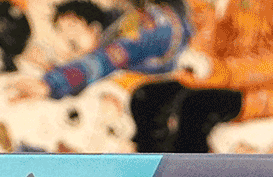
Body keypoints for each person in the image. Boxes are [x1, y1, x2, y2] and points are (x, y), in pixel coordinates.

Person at [129, 0, 273, 153]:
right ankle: (155, 172)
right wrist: (199, 58)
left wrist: (220, 72)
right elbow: (220, 39)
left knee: (195, 107)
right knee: (147, 97)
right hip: (231, 79)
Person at [10, 0, 189, 102]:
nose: (73, 53)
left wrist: (51, 84)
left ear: (94, 28)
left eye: (73, 42)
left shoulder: (120, 42)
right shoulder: (120, 22)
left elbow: (95, 65)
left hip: (186, 41)